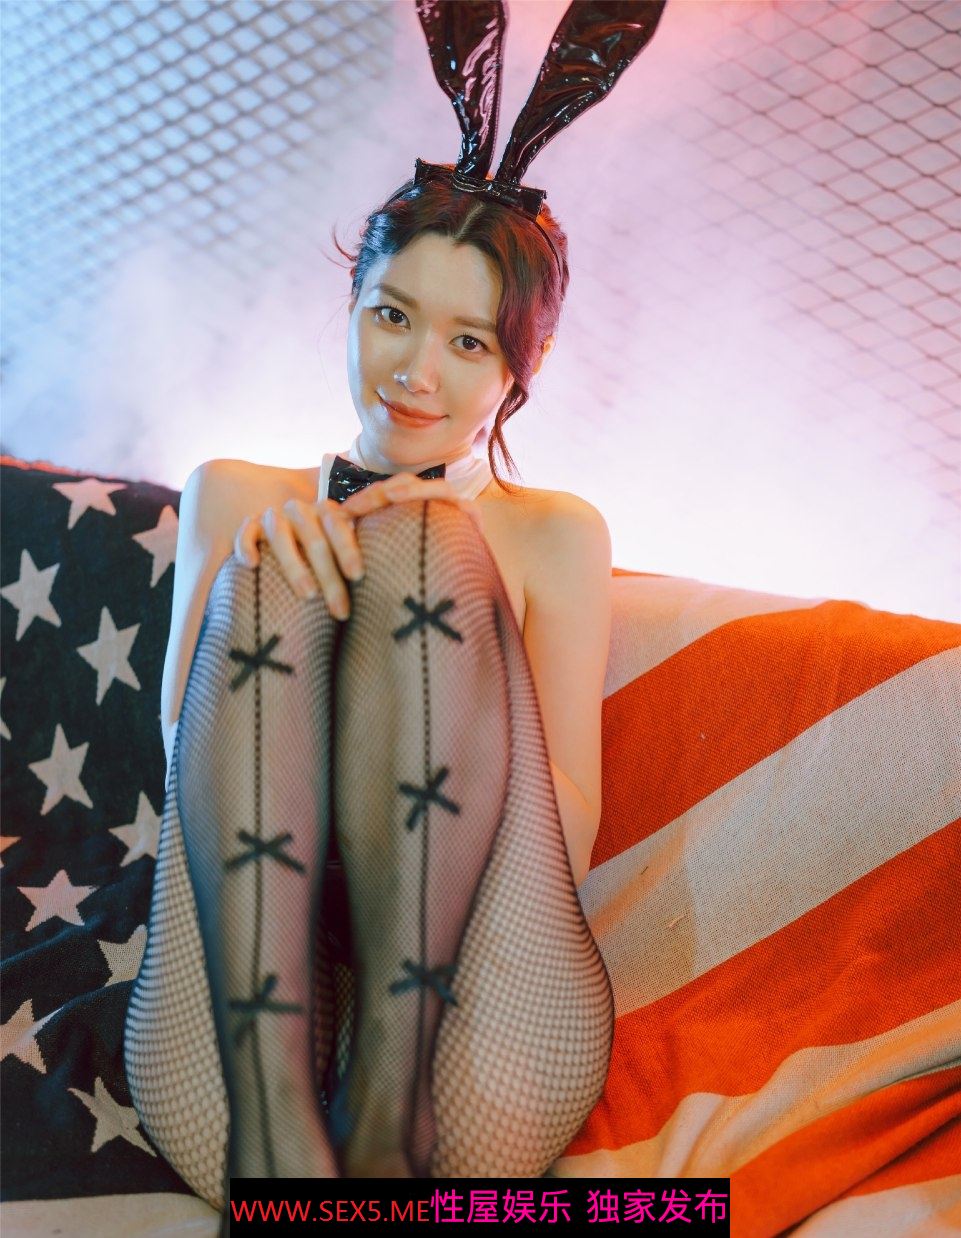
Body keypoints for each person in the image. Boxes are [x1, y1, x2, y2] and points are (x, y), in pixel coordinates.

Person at [122, 0, 667, 1216]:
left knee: (426, 544)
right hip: (251, 1022)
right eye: (393, 316)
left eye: (470, 342)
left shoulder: (554, 532)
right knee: (276, 559)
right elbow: (180, 769)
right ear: (351, 308)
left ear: (520, 367)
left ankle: (384, 1118)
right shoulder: (234, 494)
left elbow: (567, 834)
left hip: (474, 1012)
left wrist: (442, 590)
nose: (418, 372)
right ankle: (287, 1149)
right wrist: (272, 578)